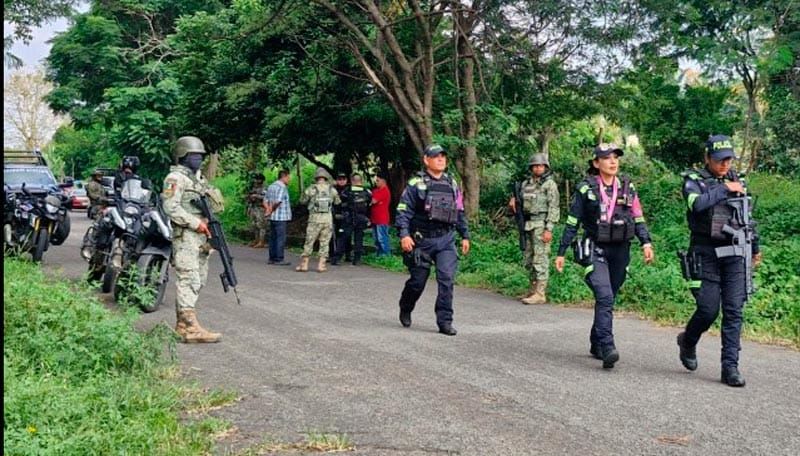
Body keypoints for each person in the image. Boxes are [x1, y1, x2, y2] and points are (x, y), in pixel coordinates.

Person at [555, 143, 654, 368]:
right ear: (595, 163)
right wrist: (561, 251)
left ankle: (595, 341)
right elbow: (573, 222)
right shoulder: (585, 189)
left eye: (615, 158)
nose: (613, 162)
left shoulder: (628, 188)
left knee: (609, 296)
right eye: (607, 158)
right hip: (595, 247)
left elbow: (638, 217)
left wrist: (646, 242)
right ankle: (608, 346)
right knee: (605, 296)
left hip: (620, 250)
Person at [676, 134, 762, 387]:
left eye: (728, 160)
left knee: (734, 310)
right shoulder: (694, 181)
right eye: (719, 160)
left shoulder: (738, 180)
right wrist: (724, 188)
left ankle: (730, 368)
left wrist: (755, 247)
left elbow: (747, 217)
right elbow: (698, 205)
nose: (725, 165)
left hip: (735, 252)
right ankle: (688, 341)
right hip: (706, 252)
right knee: (708, 309)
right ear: (707, 158)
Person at [396, 144, 470, 336]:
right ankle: (406, 306)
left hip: (445, 239)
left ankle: (445, 322)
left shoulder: (452, 184)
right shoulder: (416, 184)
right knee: (417, 282)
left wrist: (465, 235)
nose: (441, 159)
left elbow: (459, 211)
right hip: (422, 241)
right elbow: (404, 210)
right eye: (436, 156)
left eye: (443, 157)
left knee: (446, 280)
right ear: (426, 160)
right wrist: (404, 234)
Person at [162, 136, 224, 343]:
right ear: (183, 155)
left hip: (201, 236)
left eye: (200, 155)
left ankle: (183, 324)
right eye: (194, 155)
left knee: (199, 279)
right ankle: (189, 328)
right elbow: (170, 207)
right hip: (186, 236)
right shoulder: (175, 179)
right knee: (189, 278)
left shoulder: (197, 180)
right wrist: (195, 223)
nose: (199, 159)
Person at [509, 153, 560, 305]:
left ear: (545, 167)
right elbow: (520, 204)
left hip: (541, 223)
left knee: (541, 258)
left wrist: (549, 228)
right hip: (528, 224)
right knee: (529, 258)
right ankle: (532, 290)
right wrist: (513, 202)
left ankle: (540, 293)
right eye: (535, 166)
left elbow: (554, 207)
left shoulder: (549, 185)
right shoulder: (526, 184)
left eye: (541, 166)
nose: (538, 168)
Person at [296, 167, 341, 272]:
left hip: (314, 219)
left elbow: (302, 201)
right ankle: (321, 265)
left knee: (309, 241)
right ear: (326, 178)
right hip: (327, 220)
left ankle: (304, 265)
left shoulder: (311, 189)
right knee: (325, 242)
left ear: (316, 178)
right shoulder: (332, 190)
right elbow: (337, 202)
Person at [333, 174, 371, 265]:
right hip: (361, 218)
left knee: (343, 238)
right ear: (361, 181)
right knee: (359, 239)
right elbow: (369, 203)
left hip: (348, 217)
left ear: (352, 181)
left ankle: (337, 258)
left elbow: (339, 202)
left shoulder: (347, 191)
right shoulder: (367, 191)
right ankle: (357, 260)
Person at [264, 169, 292, 265]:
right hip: (281, 216)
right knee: (280, 238)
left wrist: (268, 210)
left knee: (273, 237)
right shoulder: (282, 187)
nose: (289, 180)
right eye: (288, 177)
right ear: (284, 177)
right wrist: (271, 210)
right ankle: (279, 258)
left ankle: (272, 257)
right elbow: (278, 201)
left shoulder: (271, 186)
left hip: (272, 217)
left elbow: (265, 200)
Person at [330, 172, 351, 263]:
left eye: (343, 179)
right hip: (335, 215)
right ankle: (333, 254)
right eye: (340, 179)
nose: (342, 181)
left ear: (346, 180)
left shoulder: (350, 189)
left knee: (347, 236)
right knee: (334, 236)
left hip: (347, 216)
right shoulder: (333, 190)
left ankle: (348, 255)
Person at [370, 172, 392, 256]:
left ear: (383, 181)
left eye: (378, 180)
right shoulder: (376, 190)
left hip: (382, 219)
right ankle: (379, 254)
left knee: (382, 238)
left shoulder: (384, 190)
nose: (376, 182)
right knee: (376, 238)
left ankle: (386, 254)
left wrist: (371, 199)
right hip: (375, 219)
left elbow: (373, 200)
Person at [246, 173, 268, 248]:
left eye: (257, 179)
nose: (255, 181)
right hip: (254, 207)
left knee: (261, 225)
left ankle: (261, 241)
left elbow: (266, 197)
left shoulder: (265, 187)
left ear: (261, 180)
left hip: (261, 208)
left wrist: (256, 196)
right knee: (254, 225)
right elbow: (249, 196)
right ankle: (256, 240)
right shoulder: (254, 187)